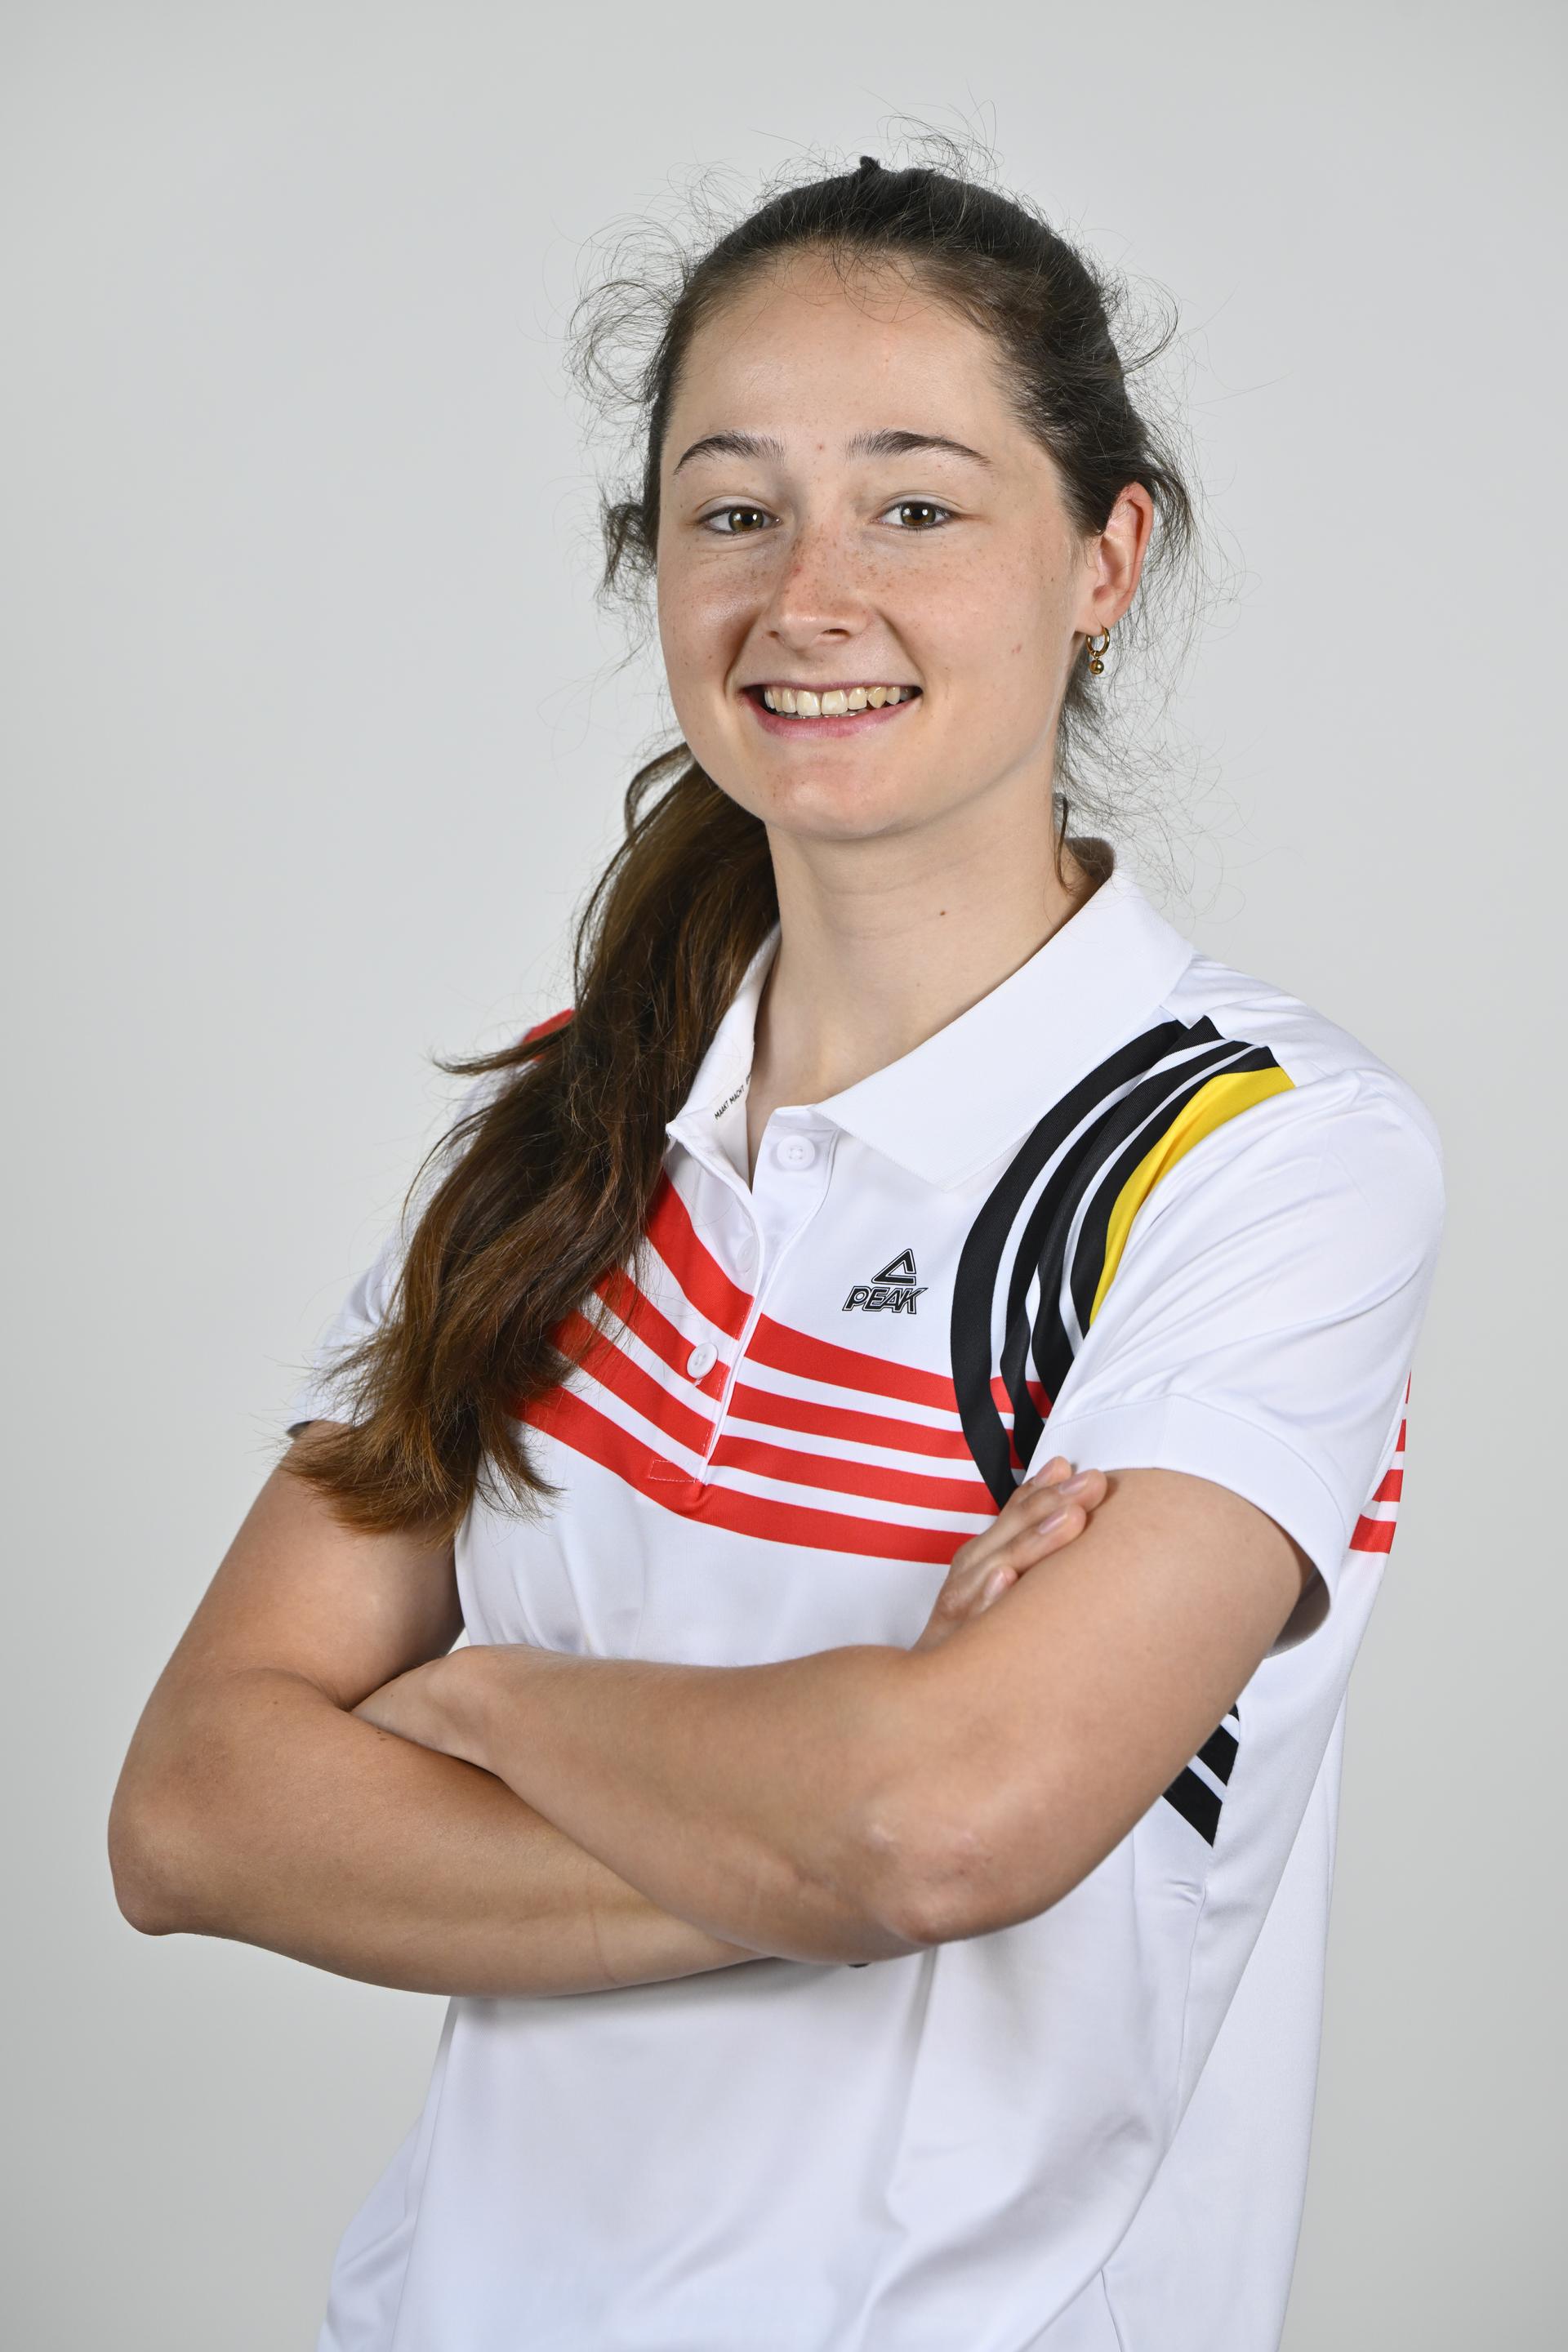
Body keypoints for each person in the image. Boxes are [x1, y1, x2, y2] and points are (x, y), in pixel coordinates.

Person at [109, 150, 1446, 2352]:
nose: (807, 597)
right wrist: (806, 1814)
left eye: (916, 505)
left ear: (1104, 556)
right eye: (734, 510)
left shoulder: (1259, 1161)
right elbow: (191, 1814)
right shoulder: (561, 1121)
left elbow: (944, 1830)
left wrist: (489, 1704)